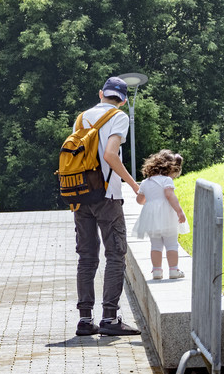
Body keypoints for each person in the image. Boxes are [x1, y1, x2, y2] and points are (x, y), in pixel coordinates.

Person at [73, 76, 142, 337]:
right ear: (123, 100)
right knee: (115, 254)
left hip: (80, 195)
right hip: (107, 197)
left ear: (101, 93)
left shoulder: (81, 118)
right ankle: (110, 319)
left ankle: (84, 319)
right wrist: (135, 186)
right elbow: (110, 154)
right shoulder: (119, 117)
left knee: (87, 257)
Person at [133, 150, 188, 280]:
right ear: (170, 167)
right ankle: (173, 270)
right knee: (171, 244)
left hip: (151, 217)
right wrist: (179, 211)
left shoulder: (146, 182)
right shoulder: (167, 180)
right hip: (167, 215)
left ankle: (157, 271)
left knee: (155, 245)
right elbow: (170, 195)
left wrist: (151, 199)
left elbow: (140, 200)